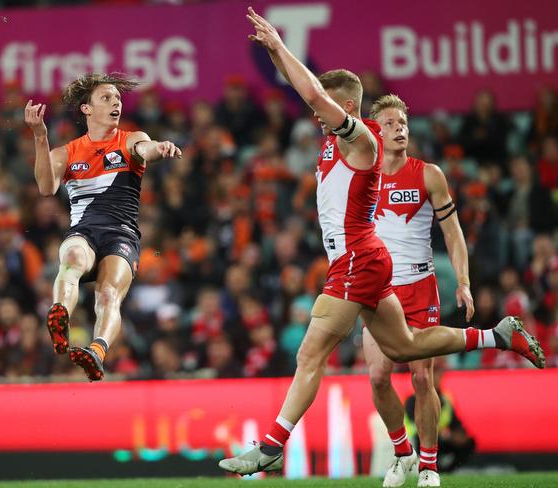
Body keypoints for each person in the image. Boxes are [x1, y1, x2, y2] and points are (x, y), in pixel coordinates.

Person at [219, 7, 544, 476]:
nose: (314, 111)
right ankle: (498, 335)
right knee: (407, 347)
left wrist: (277, 44)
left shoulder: (362, 143)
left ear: (345, 108)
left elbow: (309, 89)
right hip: (367, 259)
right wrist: (279, 62)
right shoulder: (332, 138)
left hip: (355, 260)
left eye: (324, 106)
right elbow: (303, 88)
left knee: (310, 354)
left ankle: (272, 445)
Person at [24, 73, 182, 381]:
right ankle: (60, 316)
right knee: (71, 262)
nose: (116, 104)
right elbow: (46, 187)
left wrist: (160, 147)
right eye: (106, 98)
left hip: (121, 235)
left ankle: (97, 350)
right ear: (86, 108)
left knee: (109, 293)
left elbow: (146, 149)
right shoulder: (67, 152)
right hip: (84, 231)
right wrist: (40, 137)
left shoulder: (131, 139)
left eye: (118, 99)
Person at [366, 94, 474, 488]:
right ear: (375, 131)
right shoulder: (362, 175)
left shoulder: (428, 174)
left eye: (403, 122)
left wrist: (463, 282)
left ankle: (429, 467)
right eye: (390, 123)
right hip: (375, 290)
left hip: (419, 287)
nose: (400, 129)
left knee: (422, 380)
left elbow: (453, 232)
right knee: (377, 378)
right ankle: (402, 455)